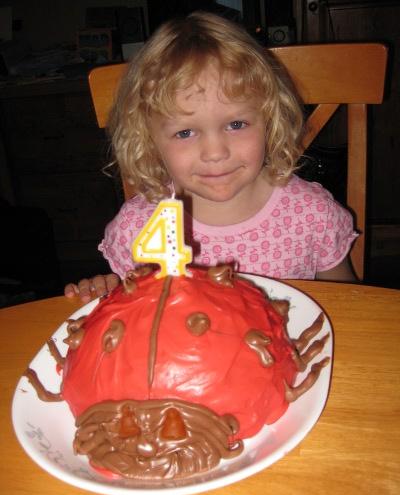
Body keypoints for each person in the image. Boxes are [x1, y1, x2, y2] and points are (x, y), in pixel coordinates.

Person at [65, 11, 357, 303]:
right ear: (148, 139)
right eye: (185, 133)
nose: (216, 153)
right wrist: (101, 292)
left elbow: (350, 305)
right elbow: (127, 314)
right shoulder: (138, 228)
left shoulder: (311, 215)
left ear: (270, 119)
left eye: (236, 124)